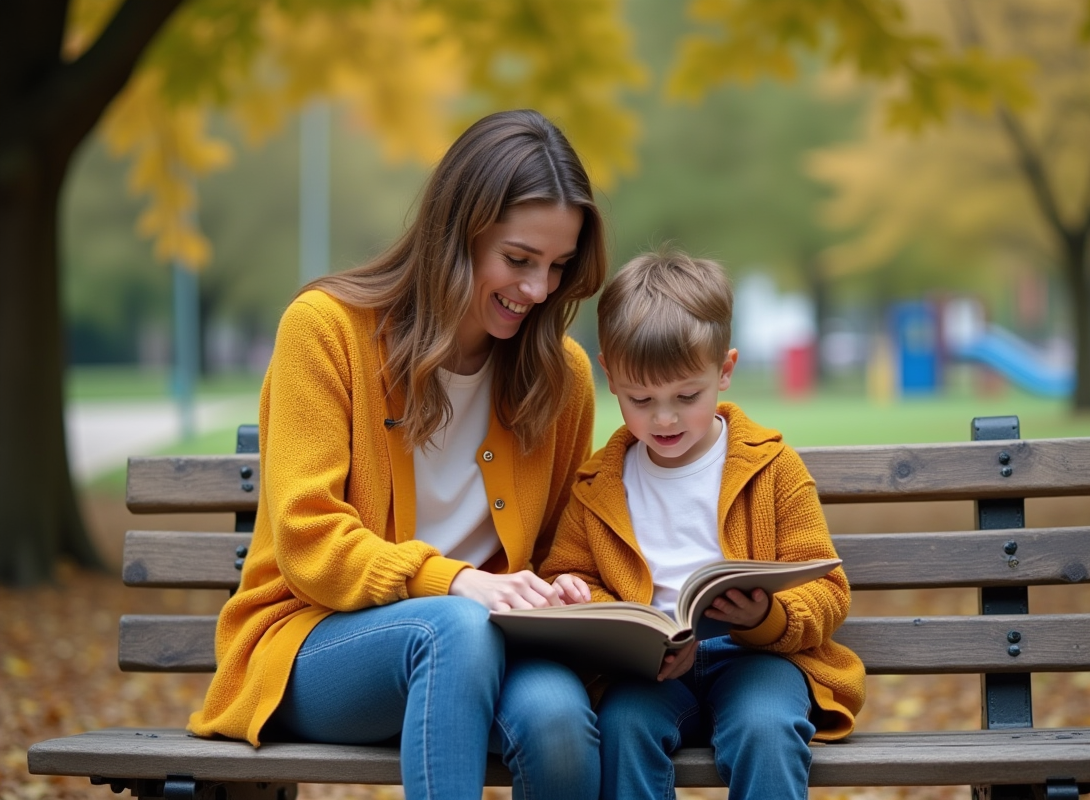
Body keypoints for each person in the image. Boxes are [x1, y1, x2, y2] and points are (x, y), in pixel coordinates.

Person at [188, 109, 608, 800]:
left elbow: (561, 544)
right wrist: (454, 581)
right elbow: (307, 534)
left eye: (558, 267)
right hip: (315, 644)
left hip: (495, 645)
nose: (538, 290)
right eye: (518, 260)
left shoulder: (561, 378)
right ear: (456, 234)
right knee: (454, 629)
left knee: (558, 717)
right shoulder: (326, 331)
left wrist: (562, 588)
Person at [540, 249, 867, 800]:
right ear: (610, 377)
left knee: (765, 729)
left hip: (758, 657)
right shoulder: (599, 485)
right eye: (641, 399)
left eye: (686, 396)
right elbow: (571, 574)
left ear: (725, 370)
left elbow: (828, 589)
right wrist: (576, 594)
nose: (664, 418)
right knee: (622, 727)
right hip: (653, 671)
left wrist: (766, 615)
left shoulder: (770, 467)